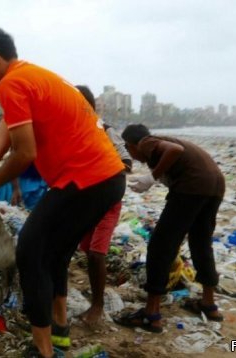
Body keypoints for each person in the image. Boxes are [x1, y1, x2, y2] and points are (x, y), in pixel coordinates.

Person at [0, 28, 125, 357]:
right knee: (55, 252)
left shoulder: (13, 84)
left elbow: (24, 154)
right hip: (106, 178)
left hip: (86, 178)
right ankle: (59, 333)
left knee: (30, 251)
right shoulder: (28, 77)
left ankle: (42, 350)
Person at [115, 124, 225, 333]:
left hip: (192, 187)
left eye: (128, 150)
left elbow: (175, 151)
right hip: (215, 186)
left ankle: (151, 314)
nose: (132, 155)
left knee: (160, 247)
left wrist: (151, 177)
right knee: (201, 244)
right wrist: (151, 178)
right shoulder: (163, 144)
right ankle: (209, 304)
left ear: (131, 144)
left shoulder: (147, 142)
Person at [73, 85, 132, 329]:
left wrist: (101, 170)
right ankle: (95, 292)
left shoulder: (105, 131)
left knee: (98, 252)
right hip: (85, 201)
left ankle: (97, 305)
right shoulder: (73, 133)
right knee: (87, 249)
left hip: (108, 200)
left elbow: (126, 162)